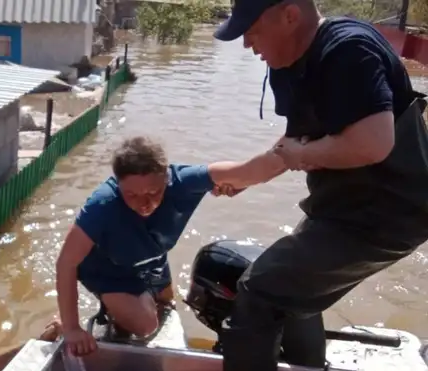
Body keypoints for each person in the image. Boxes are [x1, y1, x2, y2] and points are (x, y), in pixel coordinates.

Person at [174, 0, 428, 371]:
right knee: (287, 284)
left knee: (261, 288)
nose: (248, 45)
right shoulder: (288, 61)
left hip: (389, 213)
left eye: (252, 31)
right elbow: (292, 146)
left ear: (290, 14)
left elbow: (373, 142)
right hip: (343, 208)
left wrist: (301, 157)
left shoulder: (349, 50)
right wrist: (240, 178)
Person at [56, 136, 289, 356]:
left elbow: (254, 170)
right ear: (118, 183)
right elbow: (66, 263)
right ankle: (77, 323)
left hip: (151, 259)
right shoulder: (102, 204)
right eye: (131, 195)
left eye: (153, 192)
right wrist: (72, 328)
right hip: (109, 270)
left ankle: (127, 310)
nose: (143, 203)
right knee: (146, 325)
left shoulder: (184, 182)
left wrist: (302, 144)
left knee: (167, 307)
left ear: (167, 178)